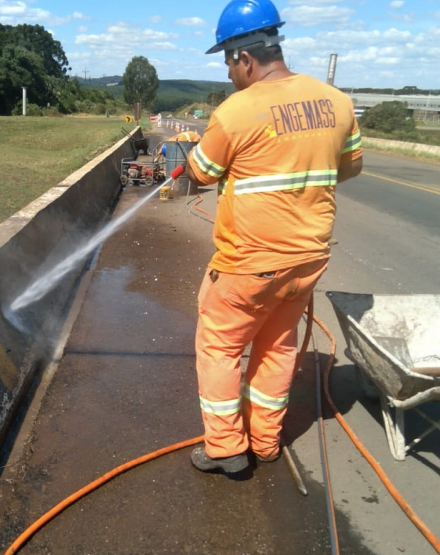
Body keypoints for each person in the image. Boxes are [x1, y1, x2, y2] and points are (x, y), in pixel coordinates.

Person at [184, 0, 363, 475]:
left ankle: (226, 448)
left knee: (220, 349)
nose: (228, 73)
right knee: (278, 347)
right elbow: (349, 168)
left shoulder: (236, 111)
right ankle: (265, 442)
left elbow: (200, 174)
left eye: (228, 62)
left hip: (247, 266)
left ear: (243, 57)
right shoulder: (336, 102)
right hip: (306, 262)